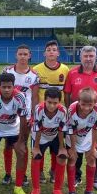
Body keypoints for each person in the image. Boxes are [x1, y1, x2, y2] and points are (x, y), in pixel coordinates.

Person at [64, 46, 97, 190]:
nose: (89, 58)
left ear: (95, 57)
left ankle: (95, 178)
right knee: (75, 147)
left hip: (95, 118)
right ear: (81, 57)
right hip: (76, 116)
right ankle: (76, 176)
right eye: (86, 56)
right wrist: (70, 110)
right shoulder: (72, 73)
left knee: (95, 148)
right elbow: (67, 93)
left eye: (91, 56)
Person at [0, 73, 28, 194]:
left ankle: (18, 187)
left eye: (9, 87)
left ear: (13, 86)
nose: (7, 90)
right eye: (4, 87)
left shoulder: (20, 97)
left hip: (14, 128)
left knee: (21, 153)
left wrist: (21, 141)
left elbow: (23, 119)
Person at [2, 44, 39, 186]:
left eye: (25, 54)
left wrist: (33, 115)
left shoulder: (34, 75)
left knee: (22, 144)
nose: (23, 57)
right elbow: (1, 92)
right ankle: (7, 174)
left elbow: (35, 97)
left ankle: (22, 174)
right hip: (9, 114)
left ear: (29, 56)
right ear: (16, 55)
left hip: (26, 115)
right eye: (20, 54)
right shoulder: (8, 70)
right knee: (8, 144)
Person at [33, 40, 69, 183]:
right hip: (42, 112)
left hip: (58, 113)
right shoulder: (36, 69)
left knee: (57, 142)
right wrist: (34, 111)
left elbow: (66, 92)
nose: (51, 52)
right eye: (49, 49)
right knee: (40, 142)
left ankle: (54, 170)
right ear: (44, 53)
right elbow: (35, 93)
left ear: (58, 53)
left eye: (54, 49)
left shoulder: (65, 70)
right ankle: (40, 171)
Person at [65, 87, 97, 194]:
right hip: (72, 138)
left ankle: (89, 191)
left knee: (91, 159)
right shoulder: (71, 110)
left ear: (95, 103)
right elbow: (70, 130)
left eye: (90, 105)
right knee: (72, 160)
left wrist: (92, 148)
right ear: (78, 101)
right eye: (83, 104)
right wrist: (72, 148)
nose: (86, 108)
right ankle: (72, 192)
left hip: (88, 136)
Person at [29, 87, 68, 194]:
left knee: (62, 157)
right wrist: (36, 147)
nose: (52, 106)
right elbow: (38, 129)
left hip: (55, 135)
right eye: (49, 102)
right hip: (39, 137)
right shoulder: (39, 109)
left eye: (55, 103)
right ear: (44, 100)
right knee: (36, 157)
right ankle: (36, 189)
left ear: (59, 102)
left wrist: (62, 147)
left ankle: (57, 190)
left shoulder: (63, 111)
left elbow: (61, 130)